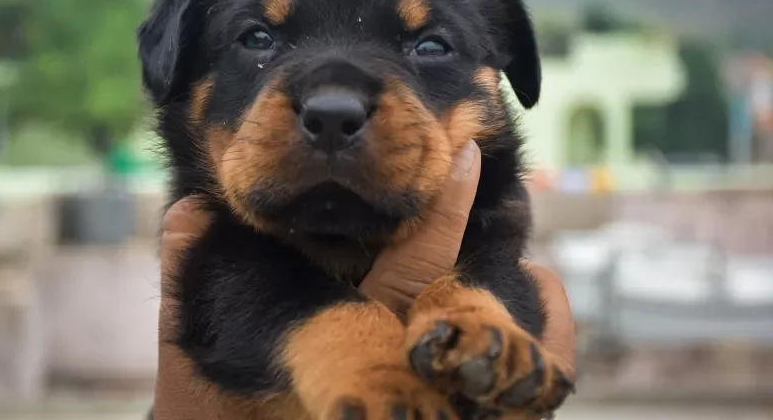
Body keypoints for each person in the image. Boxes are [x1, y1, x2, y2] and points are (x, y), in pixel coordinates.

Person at [153, 141, 576, 419]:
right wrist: (369, 366)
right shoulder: (227, 239)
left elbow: (493, 260)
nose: (338, 95)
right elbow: (239, 286)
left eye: (429, 47)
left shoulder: (485, 210)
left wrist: (473, 307)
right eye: (259, 39)